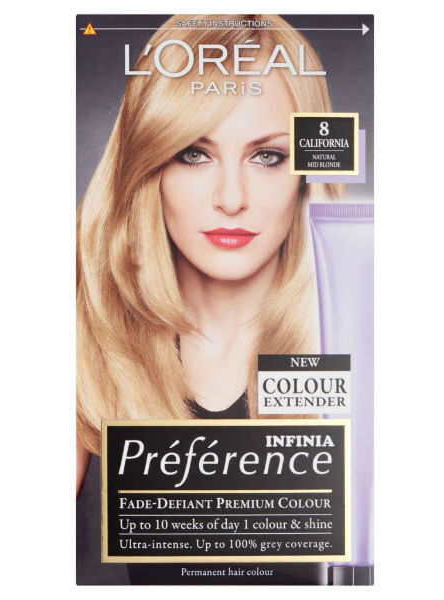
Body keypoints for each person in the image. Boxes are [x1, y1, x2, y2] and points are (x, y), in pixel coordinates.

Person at [76, 14, 342, 584]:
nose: (231, 198)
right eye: (193, 154)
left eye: (268, 156)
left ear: (307, 170)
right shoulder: (84, 337)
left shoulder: (363, 334)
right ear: (149, 165)